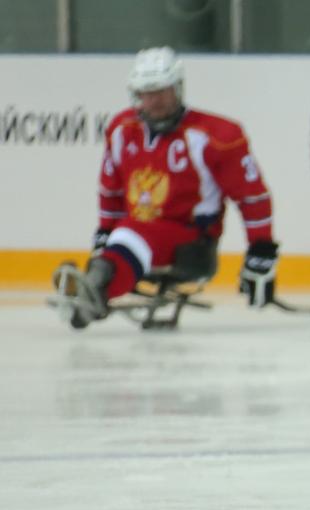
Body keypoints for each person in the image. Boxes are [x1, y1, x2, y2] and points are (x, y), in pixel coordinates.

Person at [53, 46, 279, 329]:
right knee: (129, 233)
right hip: (133, 232)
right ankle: (100, 277)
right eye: (147, 93)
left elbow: (252, 197)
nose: (154, 100)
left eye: (162, 91)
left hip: (192, 243)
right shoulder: (122, 129)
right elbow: (111, 192)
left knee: (130, 234)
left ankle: (96, 289)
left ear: (178, 88)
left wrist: (261, 251)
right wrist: (104, 235)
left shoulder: (215, 136)